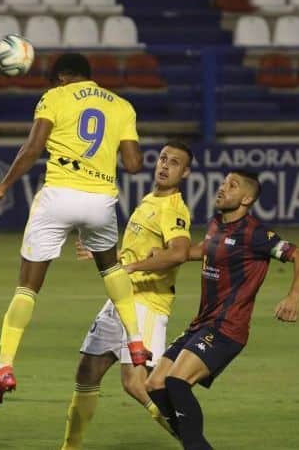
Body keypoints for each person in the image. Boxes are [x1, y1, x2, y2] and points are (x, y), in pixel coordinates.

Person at [0, 53, 147, 410]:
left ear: (61, 78)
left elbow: (33, 148)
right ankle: (135, 341)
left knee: (27, 286)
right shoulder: (122, 105)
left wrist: (3, 186)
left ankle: (4, 366)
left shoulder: (54, 97)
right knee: (112, 269)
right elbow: (134, 165)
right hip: (101, 200)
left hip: (59, 194)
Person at [138, 170, 299, 450]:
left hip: (227, 328)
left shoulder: (256, 233)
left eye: (232, 186)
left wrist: (294, 296)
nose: (222, 188)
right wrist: (165, 255)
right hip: (203, 323)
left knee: (176, 382)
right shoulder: (216, 225)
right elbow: (203, 250)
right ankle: (196, 443)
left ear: (246, 198)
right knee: (155, 384)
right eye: (223, 183)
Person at [61, 141, 194, 449]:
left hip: (146, 304)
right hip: (121, 299)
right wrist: (110, 255)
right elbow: (135, 253)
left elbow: (178, 253)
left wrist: (131, 267)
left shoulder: (174, 209)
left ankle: (191, 440)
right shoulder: (149, 199)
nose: (164, 165)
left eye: (174, 163)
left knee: (139, 384)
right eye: (163, 158)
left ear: (185, 173)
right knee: (86, 371)